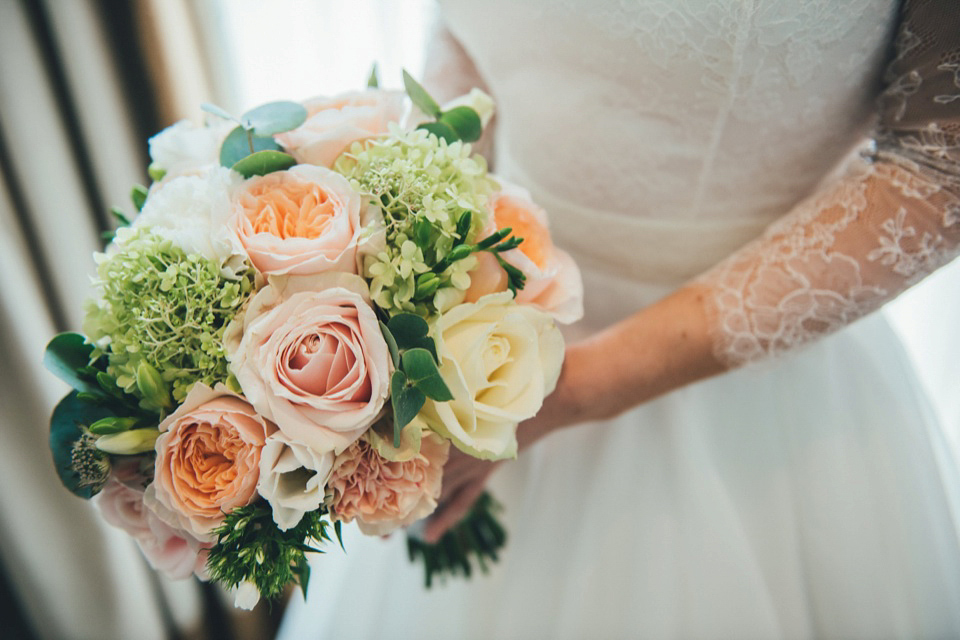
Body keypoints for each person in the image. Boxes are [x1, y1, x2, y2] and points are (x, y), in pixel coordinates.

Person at [279, 0, 960, 637]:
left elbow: (939, 167)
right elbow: (468, 33)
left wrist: (567, 390)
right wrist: (409, 262)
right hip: (478, 353)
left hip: (754, 411)